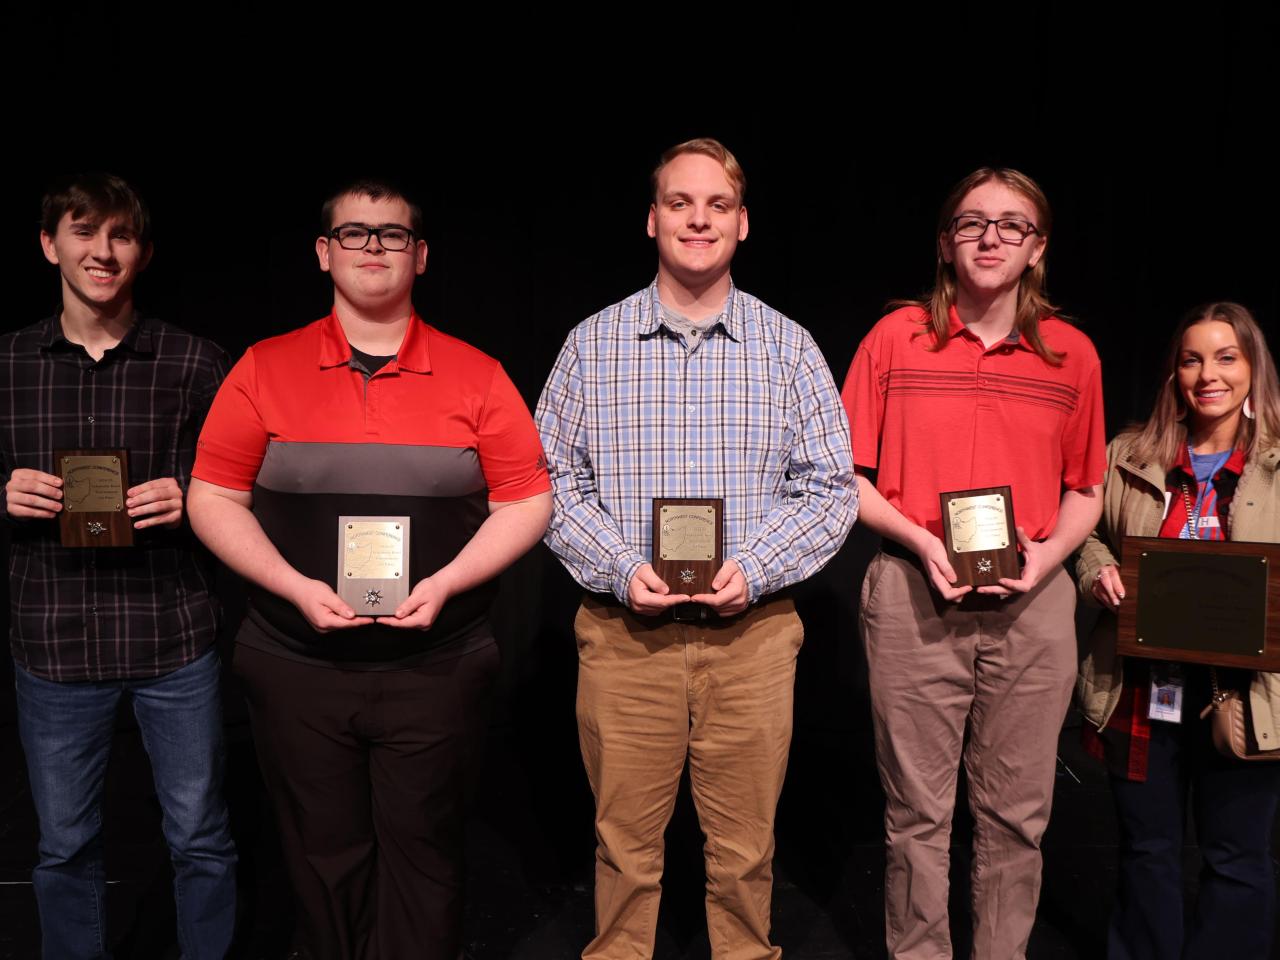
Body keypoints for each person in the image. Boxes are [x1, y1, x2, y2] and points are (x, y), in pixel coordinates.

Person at [186, 179, 551, 959]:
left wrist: (448, 582)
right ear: (324, 254)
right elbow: (212, 497)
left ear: (421, 256)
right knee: (322, 856)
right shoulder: (263, 368)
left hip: (436, 661)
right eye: (355, 233)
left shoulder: (478, 374)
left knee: (425, 853)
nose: (374, 247)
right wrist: (294, 587)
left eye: (392, 235)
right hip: (297, 663)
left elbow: (527, 501)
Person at [536, 138, 856, 960]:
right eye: (680, 202)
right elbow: (551, 483)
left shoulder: (789, 350)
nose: (698, 218)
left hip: (750, 642)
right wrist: (618, 566)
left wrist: (754, 568)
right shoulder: (591, 346)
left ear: (742, 223)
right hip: (624, 637)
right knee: (623, 850)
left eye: (717, 204)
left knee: (746, 855)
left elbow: (831, 489)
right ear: (652, 219)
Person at [840, 167, 1106, 959]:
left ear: (1038, 248)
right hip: (914, 596)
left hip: (1033, 606)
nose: (991, 237)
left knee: (1016, 819)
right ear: (946, 243)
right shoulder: (895, 338)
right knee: (918, 814)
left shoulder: (1072, 355)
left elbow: (1086, 489)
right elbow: (845, 478)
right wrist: (923, 543)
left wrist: (1049, 557)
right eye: (972, 223)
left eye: (1011, 225)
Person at [1, 173, 236, 959]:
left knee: (200, 839)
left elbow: (251, 486)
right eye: (83, 232)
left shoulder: (197, 362)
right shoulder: (6, 364)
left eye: (121, 236)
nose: (102, 251)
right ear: (50, 244)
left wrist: (195, 499)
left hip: (172, 638)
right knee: (64, 847)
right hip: (55, 644)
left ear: (143, 252)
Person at [1076, 302, 1280, 959]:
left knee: (1238, 855)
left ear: (1253, 369)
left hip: (1248, 696)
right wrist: (1100, 571)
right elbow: (1084, 540)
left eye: (1226, 357)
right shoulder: (1129, 455)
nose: (1208, 374)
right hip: (1142, 691)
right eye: (1192, 359)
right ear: (1174, 373)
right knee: (1147, 849)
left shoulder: (1276, 466)